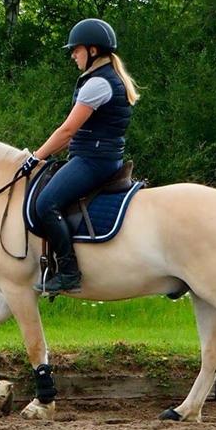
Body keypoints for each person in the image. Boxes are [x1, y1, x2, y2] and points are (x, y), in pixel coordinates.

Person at [19, 18, 141, 295]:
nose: (73, 55)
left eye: (77, 50)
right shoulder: (105, 77)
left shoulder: (98, 84)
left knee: (46, 203)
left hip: (93, 160)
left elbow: (67, 131)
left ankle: (69, 272)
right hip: (100, 157)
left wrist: (35, 157)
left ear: (93, 51)